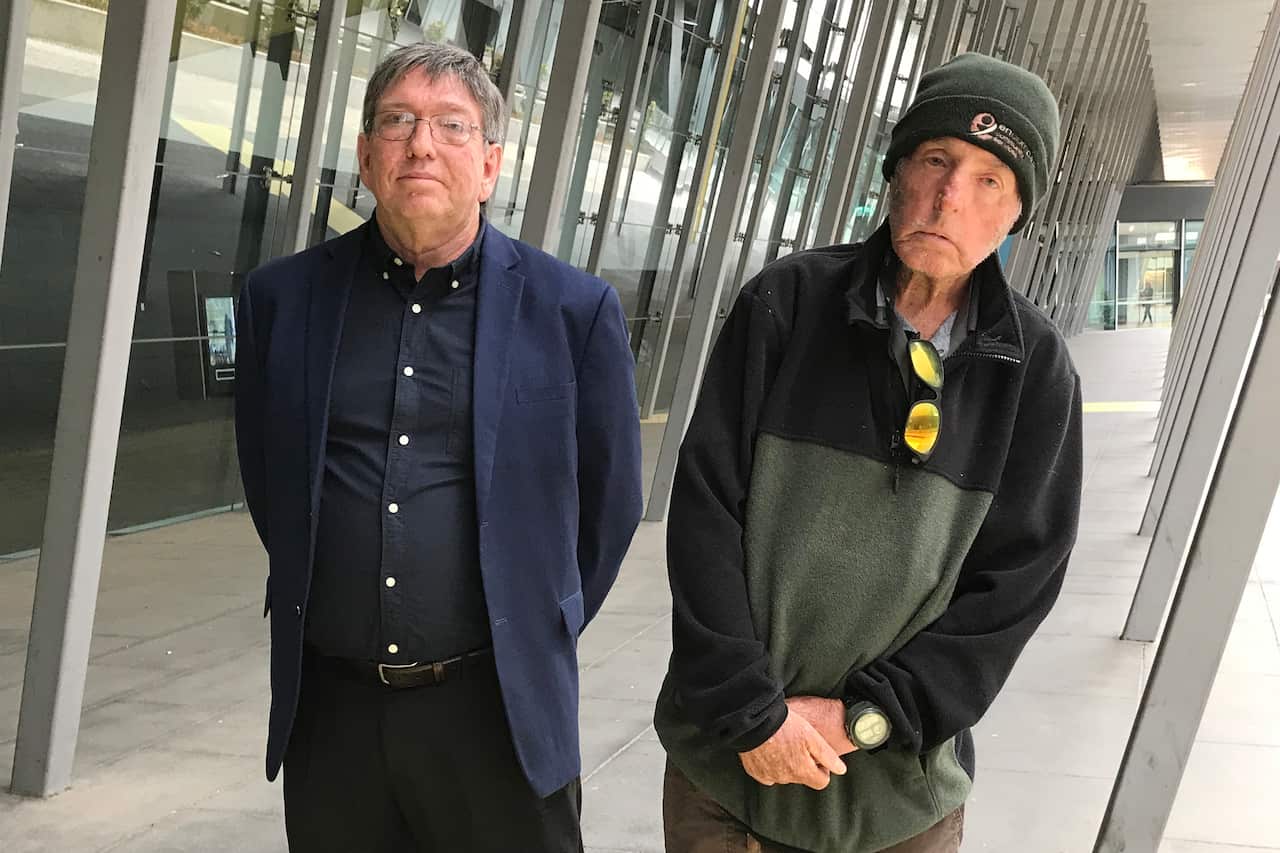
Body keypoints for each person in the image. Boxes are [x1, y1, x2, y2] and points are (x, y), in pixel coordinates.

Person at [656, 52, 1083, 852]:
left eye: (990, 178)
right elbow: (704, 511)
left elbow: (1015, 588)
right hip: (724, 774)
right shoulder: (784, 305)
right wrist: (753, 711)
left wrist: (867, 715)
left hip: (898, 803)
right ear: (896, 173)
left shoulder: (1037, 372)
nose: (951, 196)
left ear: (1017, 212)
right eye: (936, 160)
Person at [234, 42, 643, 853]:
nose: (421, 144)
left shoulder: (573, 311)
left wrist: (531, 623)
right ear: (364, 156)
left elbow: (610, 506)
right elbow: (273, 483)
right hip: (335, 714)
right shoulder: (281, 301)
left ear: (490, 164)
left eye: (451, 126)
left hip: (497, 712)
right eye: (397, 121)